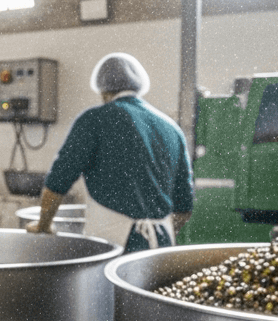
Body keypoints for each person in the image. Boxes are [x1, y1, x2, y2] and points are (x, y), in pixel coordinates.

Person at [27, 53, 193, 251]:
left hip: (113, 245)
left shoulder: (94, 119)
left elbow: (58, 181)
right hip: (161, 248)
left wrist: (43, 225)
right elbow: (184, 206)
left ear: (103, 90)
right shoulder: (172, 128)